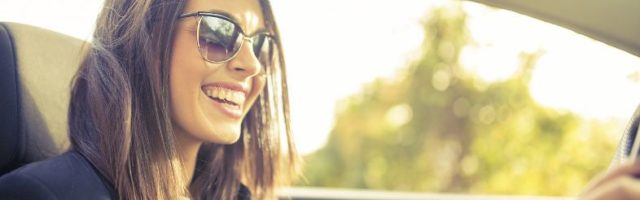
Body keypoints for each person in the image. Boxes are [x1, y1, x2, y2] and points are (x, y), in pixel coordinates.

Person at [0, 0, 298, 199]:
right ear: (144, 40)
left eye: (260, 45)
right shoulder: (42, 193)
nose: (252, 65)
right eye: (218, 33)